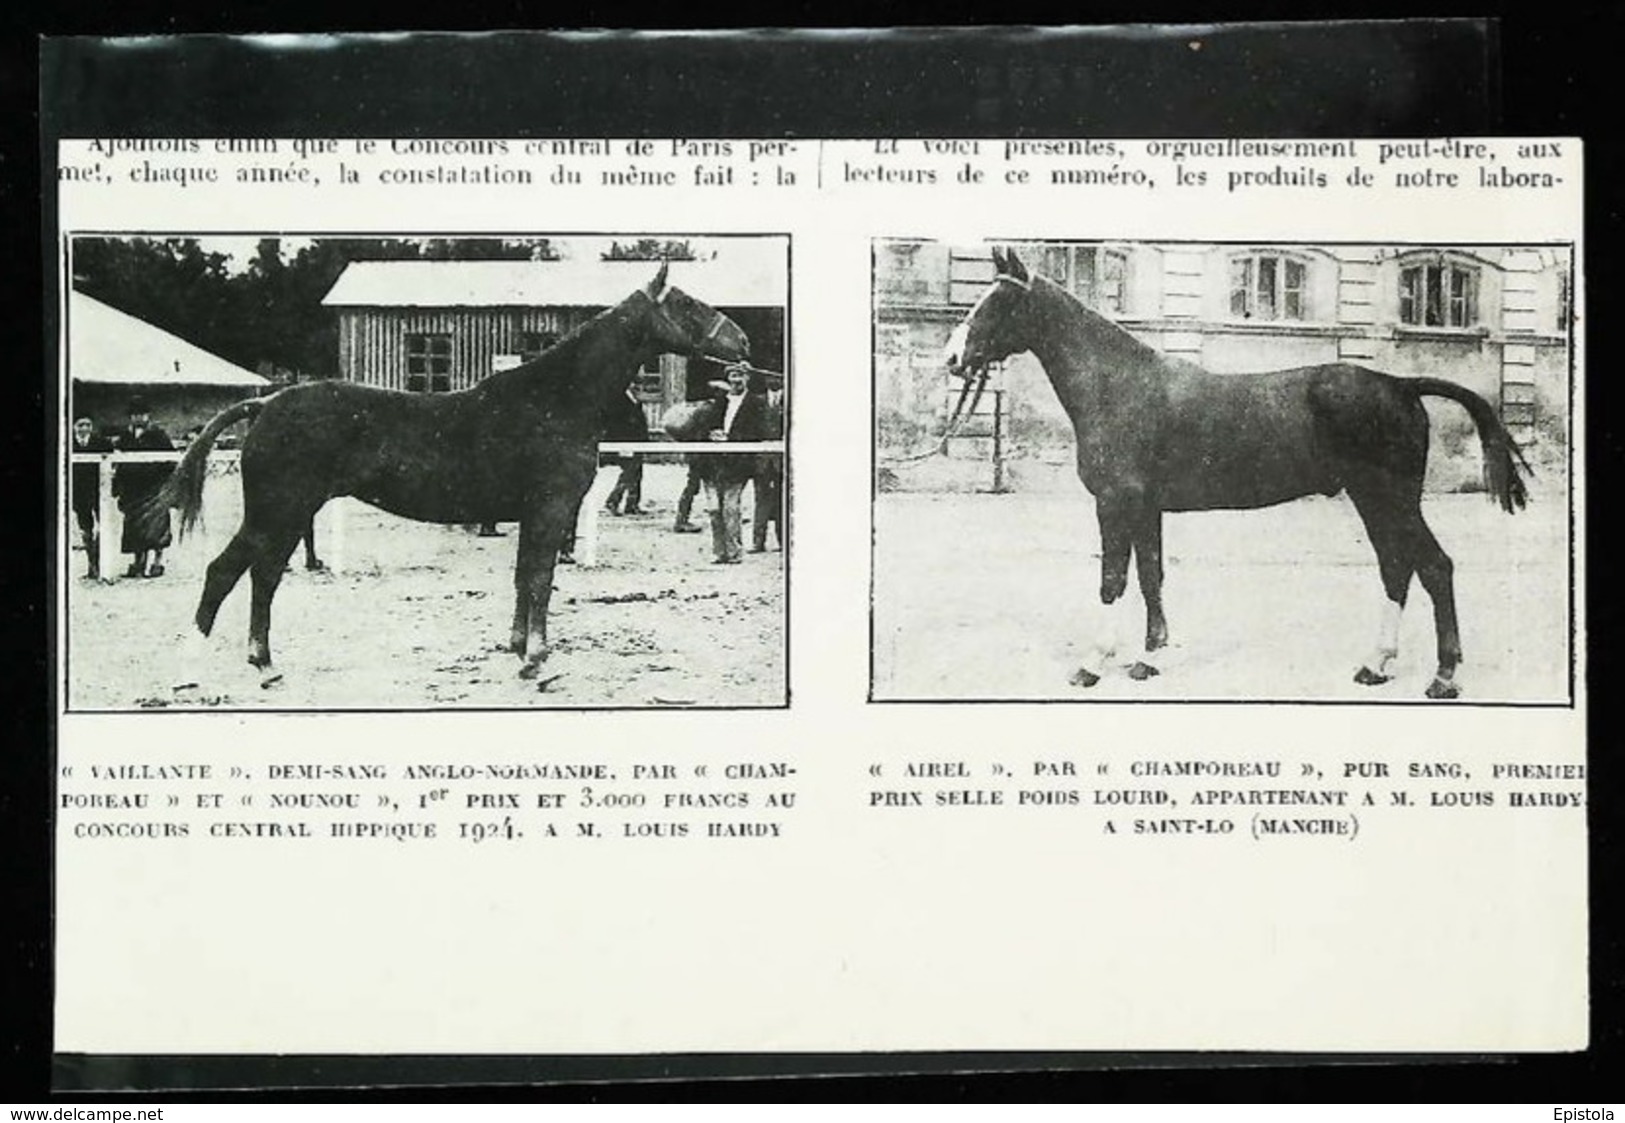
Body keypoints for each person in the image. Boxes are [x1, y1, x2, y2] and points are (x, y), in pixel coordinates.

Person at [704, 365, 774, 564]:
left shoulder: (756, 403)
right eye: (733, 376)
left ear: (747, 378)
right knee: (714, 509)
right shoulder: (720, 401)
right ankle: (719, 551)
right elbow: (709, 424)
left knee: (730, 507)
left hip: (738, 463)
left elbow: (760, 432)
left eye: (740, 376)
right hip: (715, 462)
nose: (736, 380)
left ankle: (734, 551)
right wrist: (713, 433)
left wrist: (731, 438)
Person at [110, 397, 175, 578]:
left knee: (156, 526)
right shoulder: (125, 436)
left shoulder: (159, 435)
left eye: (141, 414)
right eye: (134, 415)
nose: (138, 418)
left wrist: (164, 484)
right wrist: (118, 485)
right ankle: (138, 562)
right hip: (132, 490)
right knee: (134, 527)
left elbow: (171, 461)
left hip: (153, 489)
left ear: (148, 416)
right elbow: (118, 463)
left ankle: (157, 562)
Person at [70, 416, 112, 578]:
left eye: (88, 425)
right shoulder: (68, 444)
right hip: (79, 494)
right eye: (81, 425)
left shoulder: (101, 442)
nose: (85, 428)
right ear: (74, 427)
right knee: (85, 530)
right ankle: (91, 565)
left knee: (103, 528)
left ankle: (100, 563)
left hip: (98, 492)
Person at [749, 378, 786, 553]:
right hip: (762, 459)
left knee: (782, 500)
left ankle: (783, 541)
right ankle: (758, 542)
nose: (774, 380)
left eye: (778, 376)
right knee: (761, 499)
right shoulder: (757, 401)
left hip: (783, 460)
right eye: (770, 377)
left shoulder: (792, 400)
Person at [602, 380, 648, 516]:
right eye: (635, 385)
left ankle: (632, 505)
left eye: (639, 385)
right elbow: (617, 425)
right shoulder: (620, 401)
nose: (638, 387)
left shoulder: (635, 400)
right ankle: (612, 501)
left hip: (637, 441)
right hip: (626, 441)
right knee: (629, 472)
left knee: (637, 472)